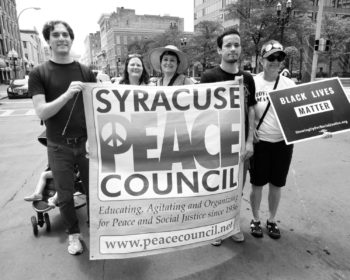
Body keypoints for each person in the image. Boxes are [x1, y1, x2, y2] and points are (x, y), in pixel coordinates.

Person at [29, 20, 96, 255]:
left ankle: (95, 228)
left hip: (87, 144)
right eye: (56, 34)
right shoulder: (39, 73)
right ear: (48, 40)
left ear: (71, 38)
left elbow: (97, 107)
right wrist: (67, 95)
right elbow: (42, 112)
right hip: (58, 146)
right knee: (66, 196)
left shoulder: (84, 70)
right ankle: (73, 236)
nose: (61, 38)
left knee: (94, 191)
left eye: (66, 34)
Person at [200, 28, 257, 244]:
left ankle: (232, 226)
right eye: (228, 45)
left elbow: (251, 109)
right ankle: (216, 228)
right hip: (215, 145)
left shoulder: (247, 78)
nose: (233, 49)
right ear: (219, 50)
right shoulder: (209, 77)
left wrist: (250, 140)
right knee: (215, 187)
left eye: (236, 45)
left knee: (236, 188)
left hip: (240, 145)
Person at [249, 40, 296, 240]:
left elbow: (300, 114)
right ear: (262, 60)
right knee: (257, 184)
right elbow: (246, 109)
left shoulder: (289, 84)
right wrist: (250, 131)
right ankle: (255, 219)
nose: (275, 62)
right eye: (271, 58)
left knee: (277, 184)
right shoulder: (253, 82)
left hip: (283, 143)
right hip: (261, 143)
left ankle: (272, 219)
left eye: (279, 58)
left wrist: (321, 128)